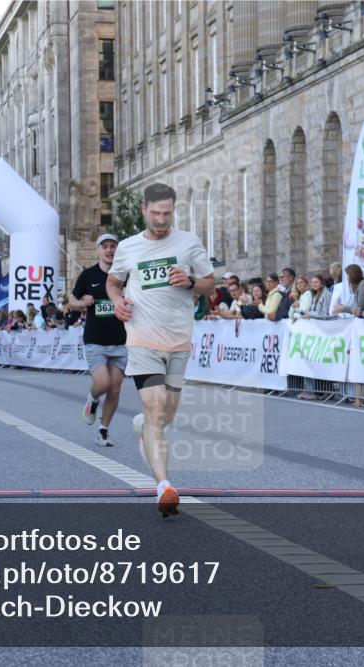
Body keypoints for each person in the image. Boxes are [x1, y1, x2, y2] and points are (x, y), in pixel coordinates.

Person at [106, 182, 215, 518]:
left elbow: (211, 282)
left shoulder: (188, 243)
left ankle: (142, 426)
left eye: (167, 213)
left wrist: (192, 283)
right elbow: (113, 281)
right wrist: (117, 303)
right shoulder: (127, 247)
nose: (161, 219)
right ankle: (164, 486)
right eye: (155, 213)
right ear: (143, 210)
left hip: (178, 340)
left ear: (174, 209)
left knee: (165, 416)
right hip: (141, 340)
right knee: (156, 411)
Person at [70, 233, 128, 448]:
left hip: (122, 340)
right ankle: (92, 400)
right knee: (103, 383)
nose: (109, 250)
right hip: (95, 339)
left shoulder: (125, 275)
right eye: (105, 246)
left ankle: (103, 430)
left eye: (113, 246)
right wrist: (82, 302)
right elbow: (72, 301)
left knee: (115, 388)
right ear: (98, 250)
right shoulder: (88, 275)